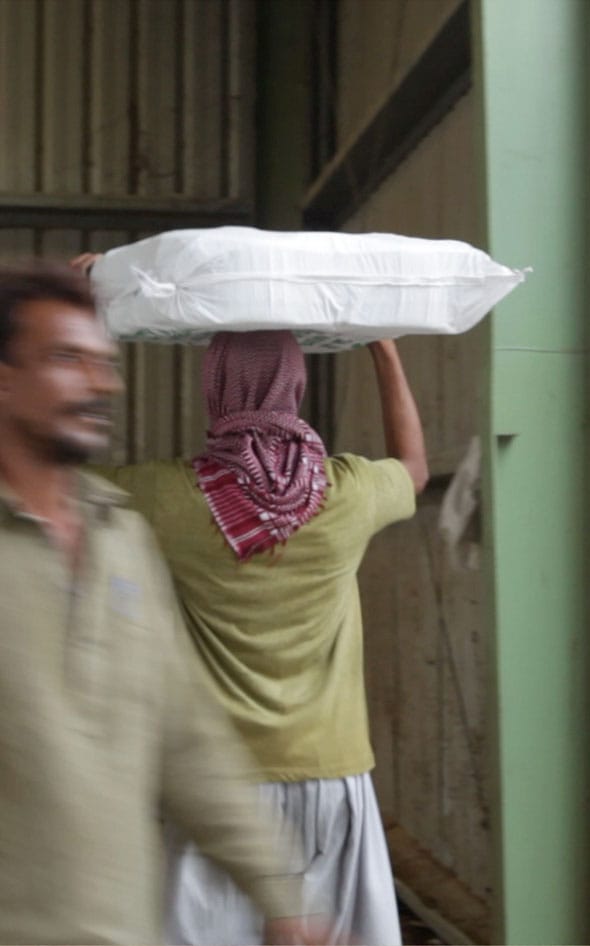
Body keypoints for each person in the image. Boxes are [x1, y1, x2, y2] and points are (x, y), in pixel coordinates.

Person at [73, 254, 429, 946]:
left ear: (216, 393)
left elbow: (59, 468)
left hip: (217, 789)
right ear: (294, 390)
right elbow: (414, 468)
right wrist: (383, 346)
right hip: (332, 779)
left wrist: (83, 317)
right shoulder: (347, 493)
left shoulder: (163, 497)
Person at [0, 262, 325, 945]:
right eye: (68, 358)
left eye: (104, 362)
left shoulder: (125, 534)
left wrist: (280, 896)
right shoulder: (337, 486)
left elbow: (186, 736)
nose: (102, 383)